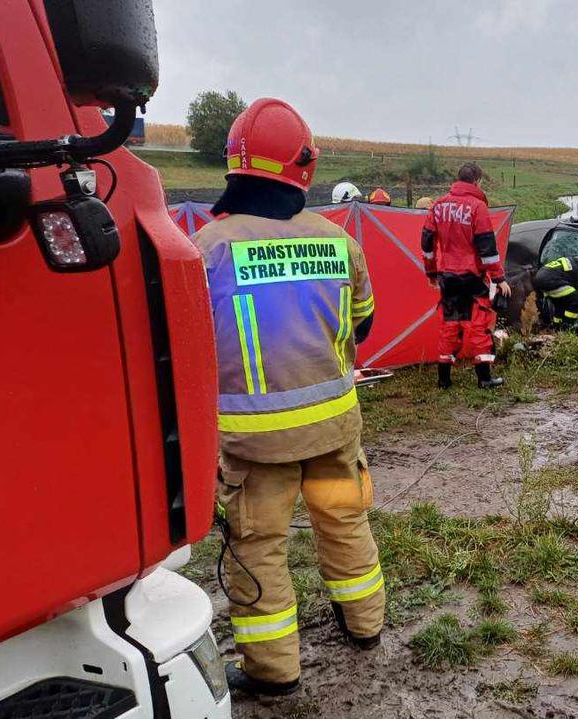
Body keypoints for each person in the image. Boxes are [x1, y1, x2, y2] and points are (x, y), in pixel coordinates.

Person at [195, 99, 383, 696]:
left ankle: (275, 672)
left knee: (259, 551)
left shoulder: (207, 249)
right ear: (303, 168)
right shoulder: (336, 240)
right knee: (346, 524)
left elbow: (186, 349)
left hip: (254, 446)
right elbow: (365, 323)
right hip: (334, 430)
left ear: (235, 167)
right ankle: (365, 627)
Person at [422, 162, 510, 389]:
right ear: (477, 181)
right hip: (472, 276)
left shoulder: (438, 206)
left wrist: (431, 272)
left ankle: (444, 380)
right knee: (479, 325)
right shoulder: (478, 207)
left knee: (449, 325)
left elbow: (427, 244)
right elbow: (487, 248)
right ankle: (484, 378)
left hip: (447, 276)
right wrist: (499, 279)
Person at [533, 255, 578, 331]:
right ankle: (566, 328)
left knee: (560, 303)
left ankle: (556, 327)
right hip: (551, 280)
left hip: (540, 277)